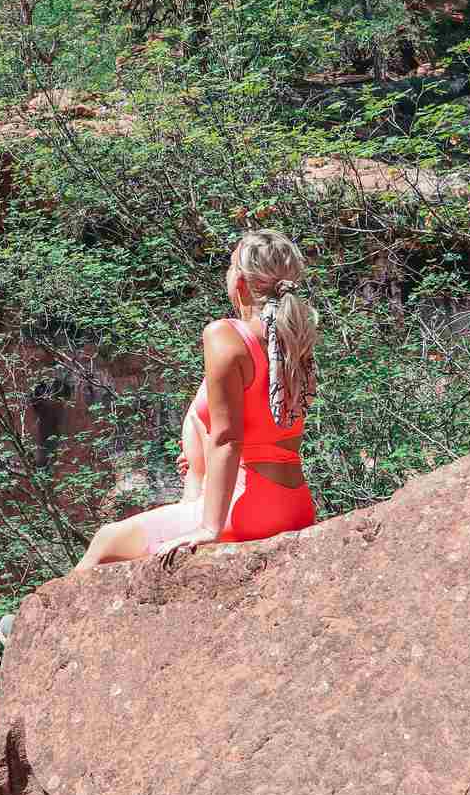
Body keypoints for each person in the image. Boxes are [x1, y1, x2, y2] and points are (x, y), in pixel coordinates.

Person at [75, 229, 319, 570]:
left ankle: (35, 624)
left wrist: (209, 527)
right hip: (296, 503)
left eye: (232, 267)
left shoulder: (226, 335)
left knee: (106, 540)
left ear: (242, 284)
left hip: (251, 508)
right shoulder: (296, 339)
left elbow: (227, 438)